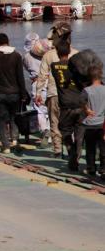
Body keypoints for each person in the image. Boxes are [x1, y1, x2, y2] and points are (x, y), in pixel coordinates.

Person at [36, 23, 77, 159]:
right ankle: (71, 150)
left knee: (55, 123)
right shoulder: (76, 54)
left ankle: (58, 150)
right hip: (72, 96)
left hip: (53, 94)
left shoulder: (48, 55)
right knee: (71, 124)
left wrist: (38, 93)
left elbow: (42, 76)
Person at [51, 42, 85, 171]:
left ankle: (71, 152)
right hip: (80, 104)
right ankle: (76, 156)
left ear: (57, 53)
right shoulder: (77, 67)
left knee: (64, 130)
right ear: (69, 52)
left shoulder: (54, 66)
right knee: (79, 133)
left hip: (65, 105)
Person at [81, 65, 105, 176]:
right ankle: (103, 168)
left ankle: (91, 168)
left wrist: (87, 110)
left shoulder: (86, 90)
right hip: (102, 124)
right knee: (103, 148)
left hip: (90, 124)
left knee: (90, 148)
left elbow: (81, 102)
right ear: (101, 76)